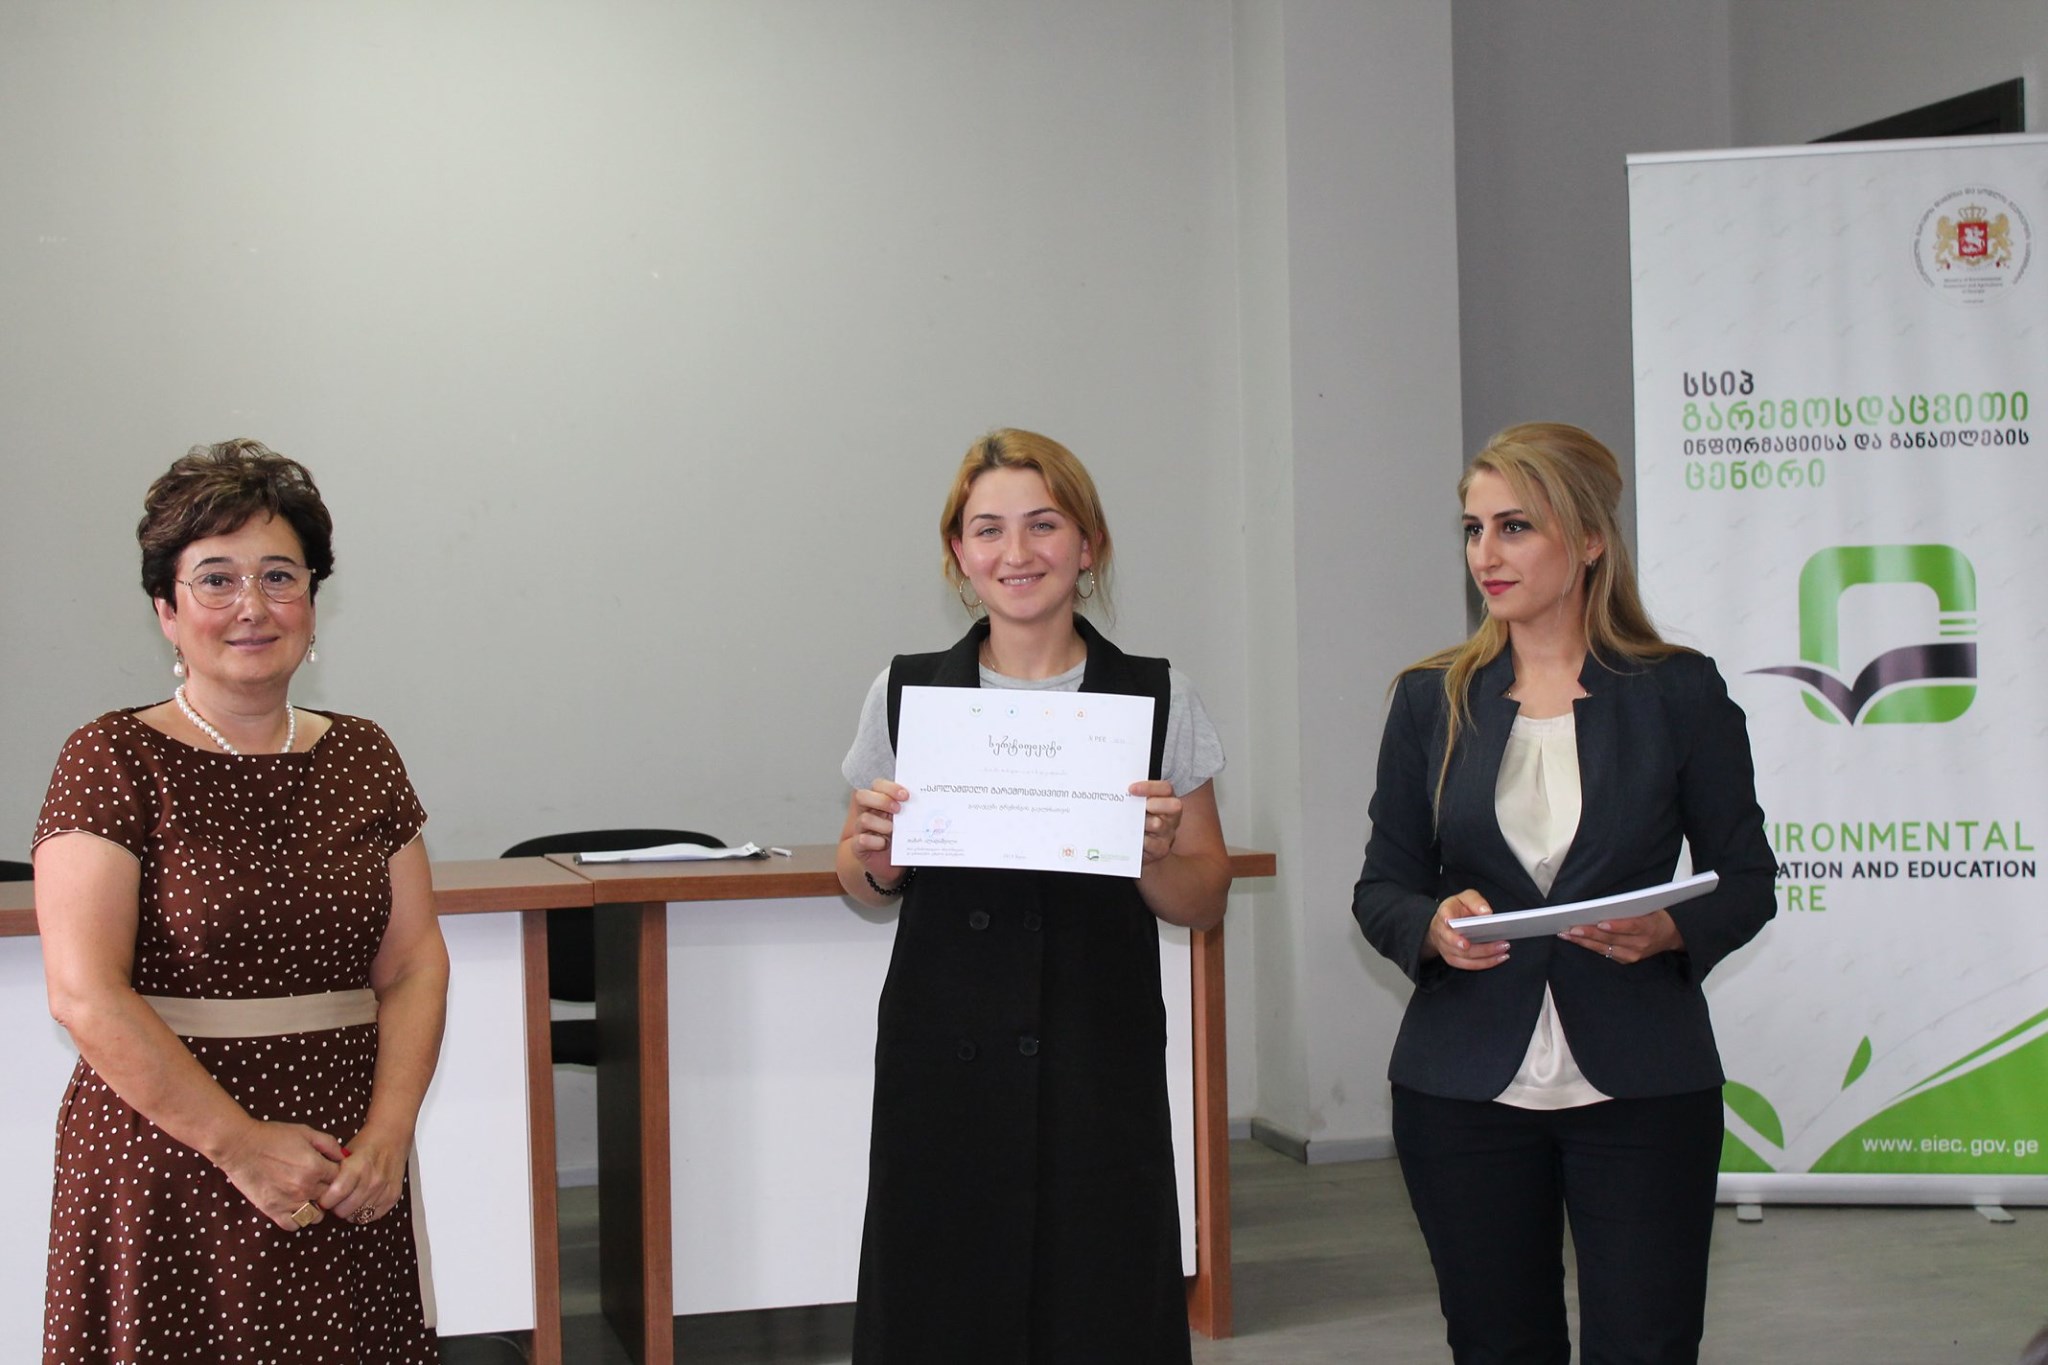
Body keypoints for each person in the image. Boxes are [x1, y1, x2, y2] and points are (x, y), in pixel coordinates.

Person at [1352, 423, 1775, 1365]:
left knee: (1648, 1344)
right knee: (1497, 1345)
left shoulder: (1679, 692)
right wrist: (1431, 924)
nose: (1486, 555)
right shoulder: (1430, 699)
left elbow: (1748, 879)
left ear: (1587, 540)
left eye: (1515, 527)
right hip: (1462, 1086)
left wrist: (1670, 927)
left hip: (1644, 1082)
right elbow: (1382, 886)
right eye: (1473, 529)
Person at [32, 440, 448, 1363]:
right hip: (169, 1154)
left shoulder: (365, 754)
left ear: (313, 601)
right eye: (216, 579)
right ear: (167, 610)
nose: (252, 606)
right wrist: (240, 1145)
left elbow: (416, 962)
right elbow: (84, 993)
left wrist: (388, 1133)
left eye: (279, 576)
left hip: (344, 1164)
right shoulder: (109, 759)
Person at [836, 428, 1232, 1364]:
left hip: (1096, 1056)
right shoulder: (906, 693)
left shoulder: (1156, 695)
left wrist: (1149, 855)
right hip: (944, 1060)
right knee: (940, 1301)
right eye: (988, 530)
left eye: (1044, 524)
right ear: (959, 555)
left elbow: (1206, 893)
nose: (1017, 552)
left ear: (1088, 545)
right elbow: (862, 876)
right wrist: (873, 855)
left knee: (1098, 1298)